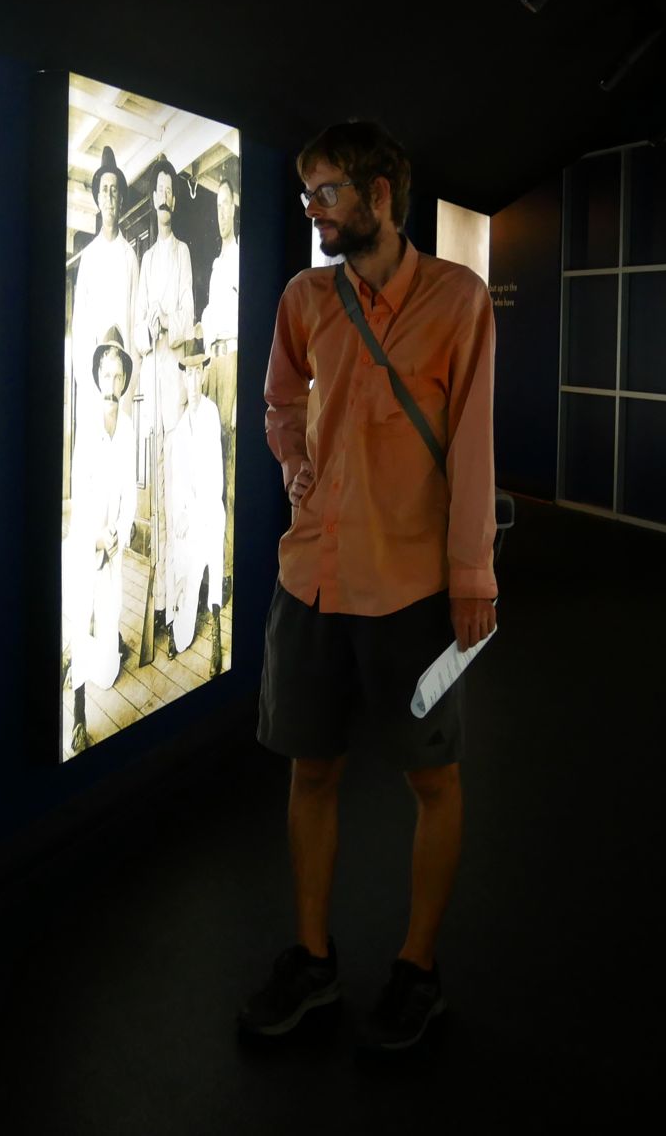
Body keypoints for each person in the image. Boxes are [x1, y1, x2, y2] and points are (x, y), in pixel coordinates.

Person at [238, 120, 497, 1052]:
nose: (312, 209)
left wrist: (473, 575)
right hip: (312, 580)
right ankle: (313, 960)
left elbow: (473, 444)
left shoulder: (458, 300)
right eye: (307, 193)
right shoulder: (305, 299)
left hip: (413, 591)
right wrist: (293, 463)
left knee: (433, 778)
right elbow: (279, 399)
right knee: (311, 770)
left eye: (328, 192)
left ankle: (417, 968)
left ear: (380, 195)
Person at [62, 327, 137, 755]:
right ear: (97, 378)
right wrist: (96, 537)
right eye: (105, 376)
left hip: (114, 546)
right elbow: (82, 493)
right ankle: (77, 714)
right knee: (81, 614)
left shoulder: (127, 428)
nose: (112, 385)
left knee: (107, 670)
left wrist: (119, 533)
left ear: (124, 380)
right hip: (87, 541)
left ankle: (105, 648)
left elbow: (128, 493)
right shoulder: (87, 427)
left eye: (118, 376)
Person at [136, 159, 195, 653]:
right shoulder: (147, 258)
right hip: (150, 392)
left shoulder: (182, 253)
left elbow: (188, 317)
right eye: (157, 188)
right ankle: (158, 606)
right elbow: (138, 332)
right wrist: (148, 325)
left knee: (176, 500)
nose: (163, 196)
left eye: (169, 188)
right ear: (153, 199)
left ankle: (178, 610)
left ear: (175, 199)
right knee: (156, 502)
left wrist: (167, 323)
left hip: (173, 388)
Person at [163, 358, 226, 669]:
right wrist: (184, 514)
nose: (193, 379)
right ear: (183, 379)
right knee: (187, 571)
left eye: (198, 372)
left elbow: (213, 474)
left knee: (213, 560)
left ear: (203, 375)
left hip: (210, 510)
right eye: (188, 373)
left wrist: (198, 512)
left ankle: (216, 632)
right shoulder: (180, 428)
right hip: (192, 513)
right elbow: (181, 479)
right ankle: (180, 630)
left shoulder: (211, 414)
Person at [69, 146, 138, 423]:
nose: (109, 197)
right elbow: (80, 327)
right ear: (98, 198)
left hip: (122, 385)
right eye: (104, 190)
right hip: (94, 387)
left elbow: (134, 323)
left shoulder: (129, 257)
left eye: (114, 191)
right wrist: (89, 384)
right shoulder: (89, 257)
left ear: (120, 199)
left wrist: (129, 384)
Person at [200, 173, 241, 604]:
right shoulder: (214, 265)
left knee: (229, 475)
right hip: (212, 364)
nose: (222, 212)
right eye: (218, 206)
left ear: (236, 208)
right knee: (209, 471)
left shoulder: (242, 257)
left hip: (233, 363)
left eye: (227, 204)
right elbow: (209, 316)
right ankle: (210, 570)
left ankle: (228, 570)